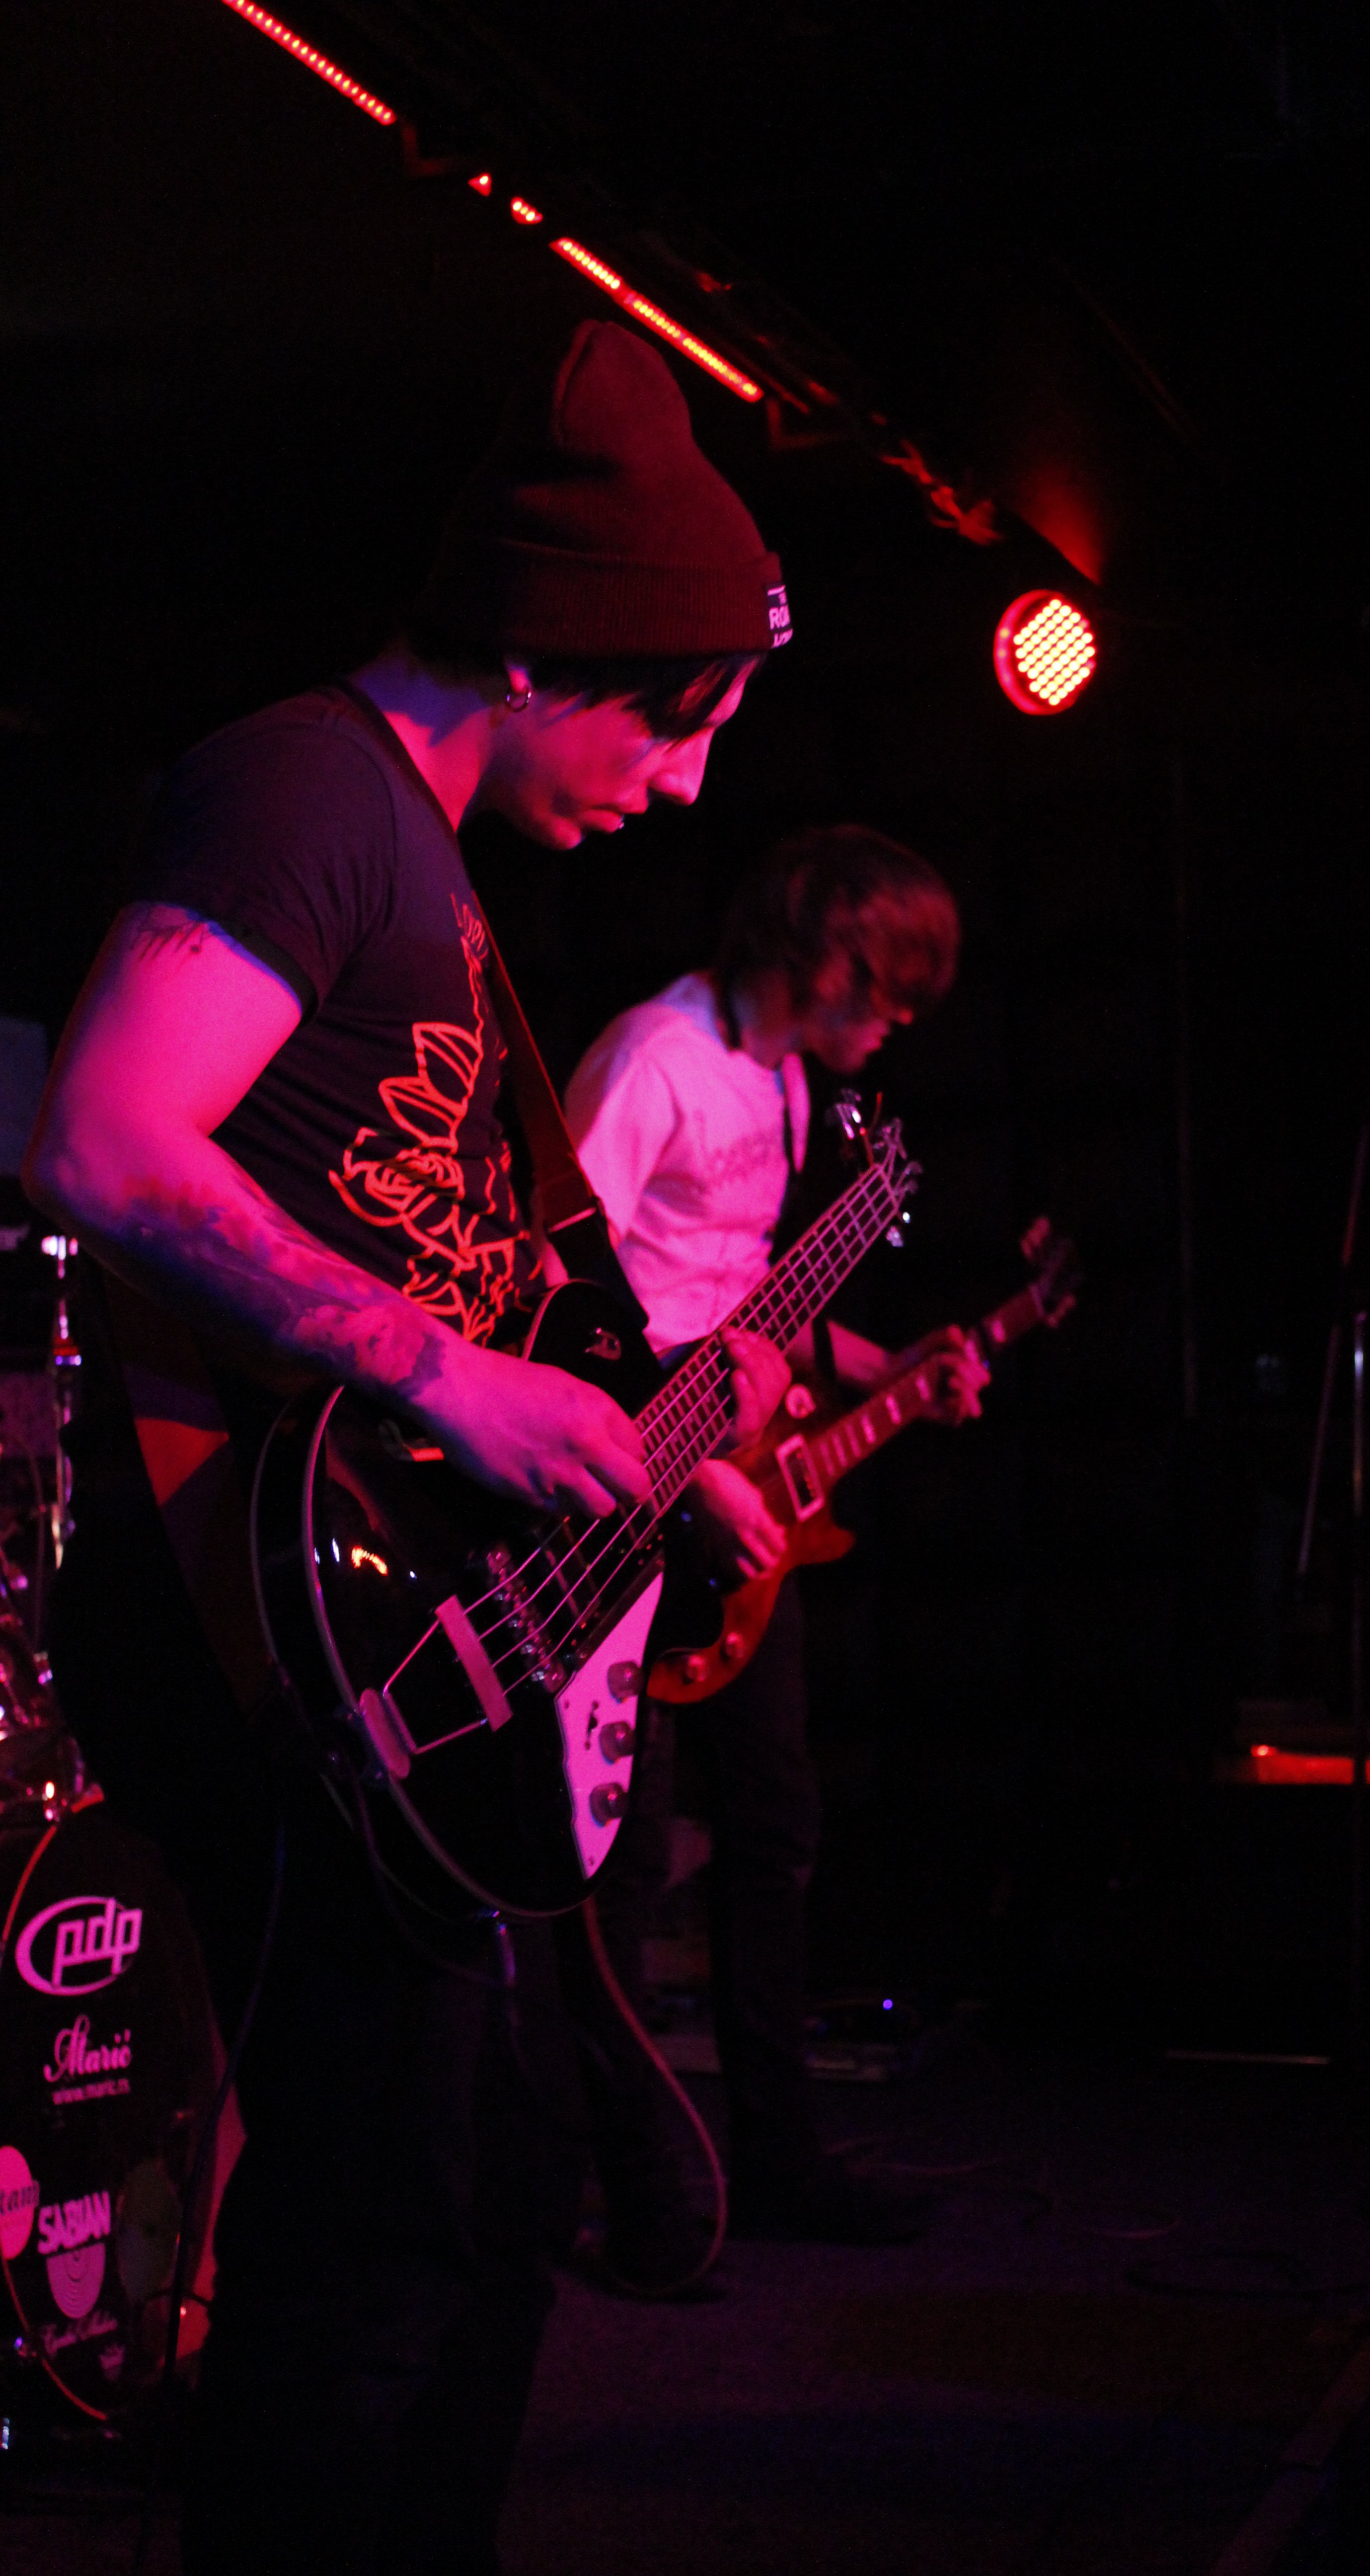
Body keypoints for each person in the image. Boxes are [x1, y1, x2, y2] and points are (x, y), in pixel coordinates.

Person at [24, 321, 793, 2576]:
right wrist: (445, 1382)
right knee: (376, 2237)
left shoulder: (432, 876)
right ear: (543, 652)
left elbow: (482, 1277)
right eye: (673, 719)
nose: (686, 785)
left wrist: (648, 1446)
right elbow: (101, 1135)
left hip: (404, 1633)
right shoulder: (303, 792)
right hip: (260, 1637)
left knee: (504, 2189)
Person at [558, 824, 988, 2282]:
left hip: (746, 1499)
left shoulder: (796, 1087)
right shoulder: (653, 1059)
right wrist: (680, 1478)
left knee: (772, 1832)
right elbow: (557, 1300)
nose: (901, 1017)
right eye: (891, 983)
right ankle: (640, 2197)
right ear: (825, 951)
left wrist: (890, 1367)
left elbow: (753, 1302)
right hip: (626, 1501)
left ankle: (780, 2156)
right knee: (621, 1867)